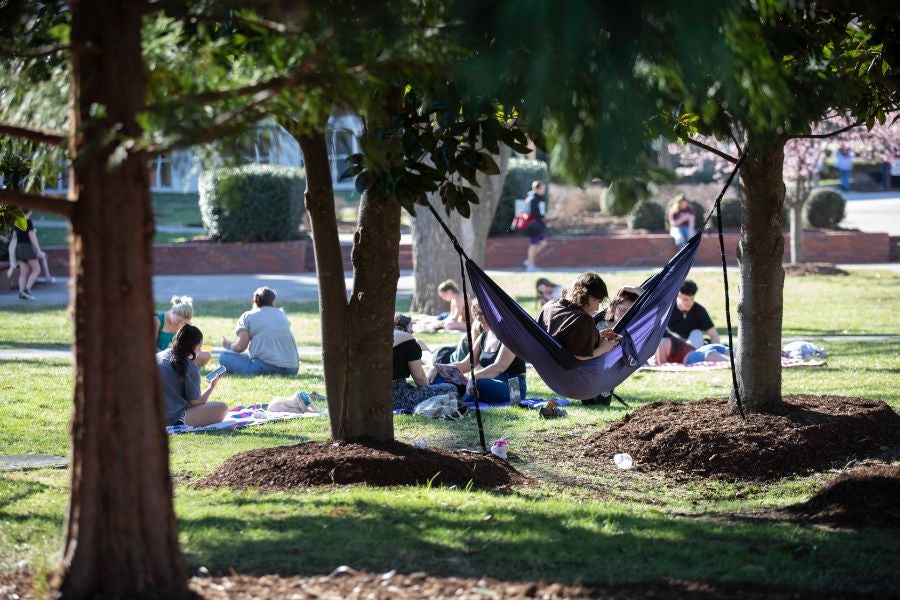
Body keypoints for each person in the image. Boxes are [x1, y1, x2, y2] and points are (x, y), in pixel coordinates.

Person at [431, 300, 527, 404]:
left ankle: (458, 399)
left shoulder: (509, 336)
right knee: (440, 377)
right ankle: (453, 396)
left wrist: (474, 377)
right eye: (476, 314)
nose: (478, 318)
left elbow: (499, 366)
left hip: (514, 388)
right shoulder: (483, 336)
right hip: (487, 381)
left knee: (479, 384)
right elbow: (466, 364)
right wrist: (439, 369)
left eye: (482, 313)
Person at [157, 324, 228, 427]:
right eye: (199, 347)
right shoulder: (189, 367)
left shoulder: (159, 356)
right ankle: (180, 422)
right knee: (222, 408)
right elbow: (196, 403)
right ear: (193, 347)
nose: (200, 350)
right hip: (170, 418)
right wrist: (211, 387)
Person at [537, 272, 619, 360]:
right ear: (589, 296)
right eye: (598, 301)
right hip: (566, 368)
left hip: (545, 360)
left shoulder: (549, 309)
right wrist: (603, 349)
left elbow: (566, 336)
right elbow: (579, 355)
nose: (597, 307)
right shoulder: (583, 319)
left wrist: (596, 336)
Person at [220, 286, 300, 376]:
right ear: (273, 301)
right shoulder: (282, 314)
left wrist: (229, 345)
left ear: (254, 301)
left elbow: (241, 347)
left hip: (266, 368)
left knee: (224, 357)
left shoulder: (248, 316)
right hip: (292, 369)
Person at [392, 313, 458, 412]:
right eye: (411, 330)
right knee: (451, 388)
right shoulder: (406, 339)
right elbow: (420, 379)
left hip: (369, 394)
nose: (412, 332)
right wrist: (429, 388)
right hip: (396, 397)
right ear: (404, 328)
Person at [654, 280, 720, 364]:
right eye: (685, 299)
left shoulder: (699, 310)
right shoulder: (667, 309)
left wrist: (717, 349)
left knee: (697, 333)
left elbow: (714, 334)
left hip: (693, 346)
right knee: (663, 340)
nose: (689, 303)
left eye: (691, 299)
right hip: (673, 345)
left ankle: (691, 357)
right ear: (678, 295)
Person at [153, 296, 211, 366]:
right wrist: (167, 353)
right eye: (178, 321)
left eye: (184, 323)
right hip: (160, 356)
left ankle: (185, 366)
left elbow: (191, 346)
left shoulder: (188, 324)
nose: (180, 325)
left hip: (178, 356)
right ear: (172, 311)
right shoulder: (157, 320)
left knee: (205, 355)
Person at [12, 210, 46, 301]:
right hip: (27, 247)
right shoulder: (28, 222)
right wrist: (39, 251)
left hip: (18, 248)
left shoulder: (17, 222)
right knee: (37, 269)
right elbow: (32, 236)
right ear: (29, 212)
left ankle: (21, 293)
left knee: (23, 273)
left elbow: (14, 236)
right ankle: (27, 290)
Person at [523, 181, 548, 271]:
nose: (544, 190)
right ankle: (530, 265)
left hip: (537, 225)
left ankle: (529, 260)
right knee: (533, 244)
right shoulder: (533, 198)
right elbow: (532, 213)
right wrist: (543, 216)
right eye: (542, 188)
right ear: (537, 189)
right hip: (534, 225)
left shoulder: (535, 198)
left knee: (543, 243)